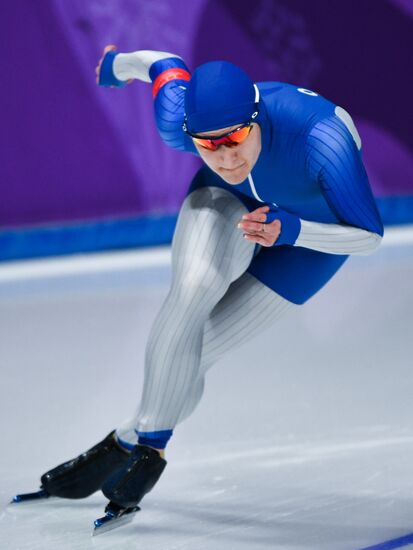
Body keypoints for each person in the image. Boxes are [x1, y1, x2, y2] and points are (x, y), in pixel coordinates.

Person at [16, 45, 383, 526]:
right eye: (209, 145)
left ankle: (131, 439)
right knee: (191, 293)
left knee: (199, 351)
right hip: (226, 204)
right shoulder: (179, 124)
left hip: (314, 238)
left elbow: (369, 238)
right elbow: (162, 65)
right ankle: (151, 447)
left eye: (235, 138)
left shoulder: (321, 139)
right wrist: (114, 65)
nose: (226, 156)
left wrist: (292, 230)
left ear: (257, 120)